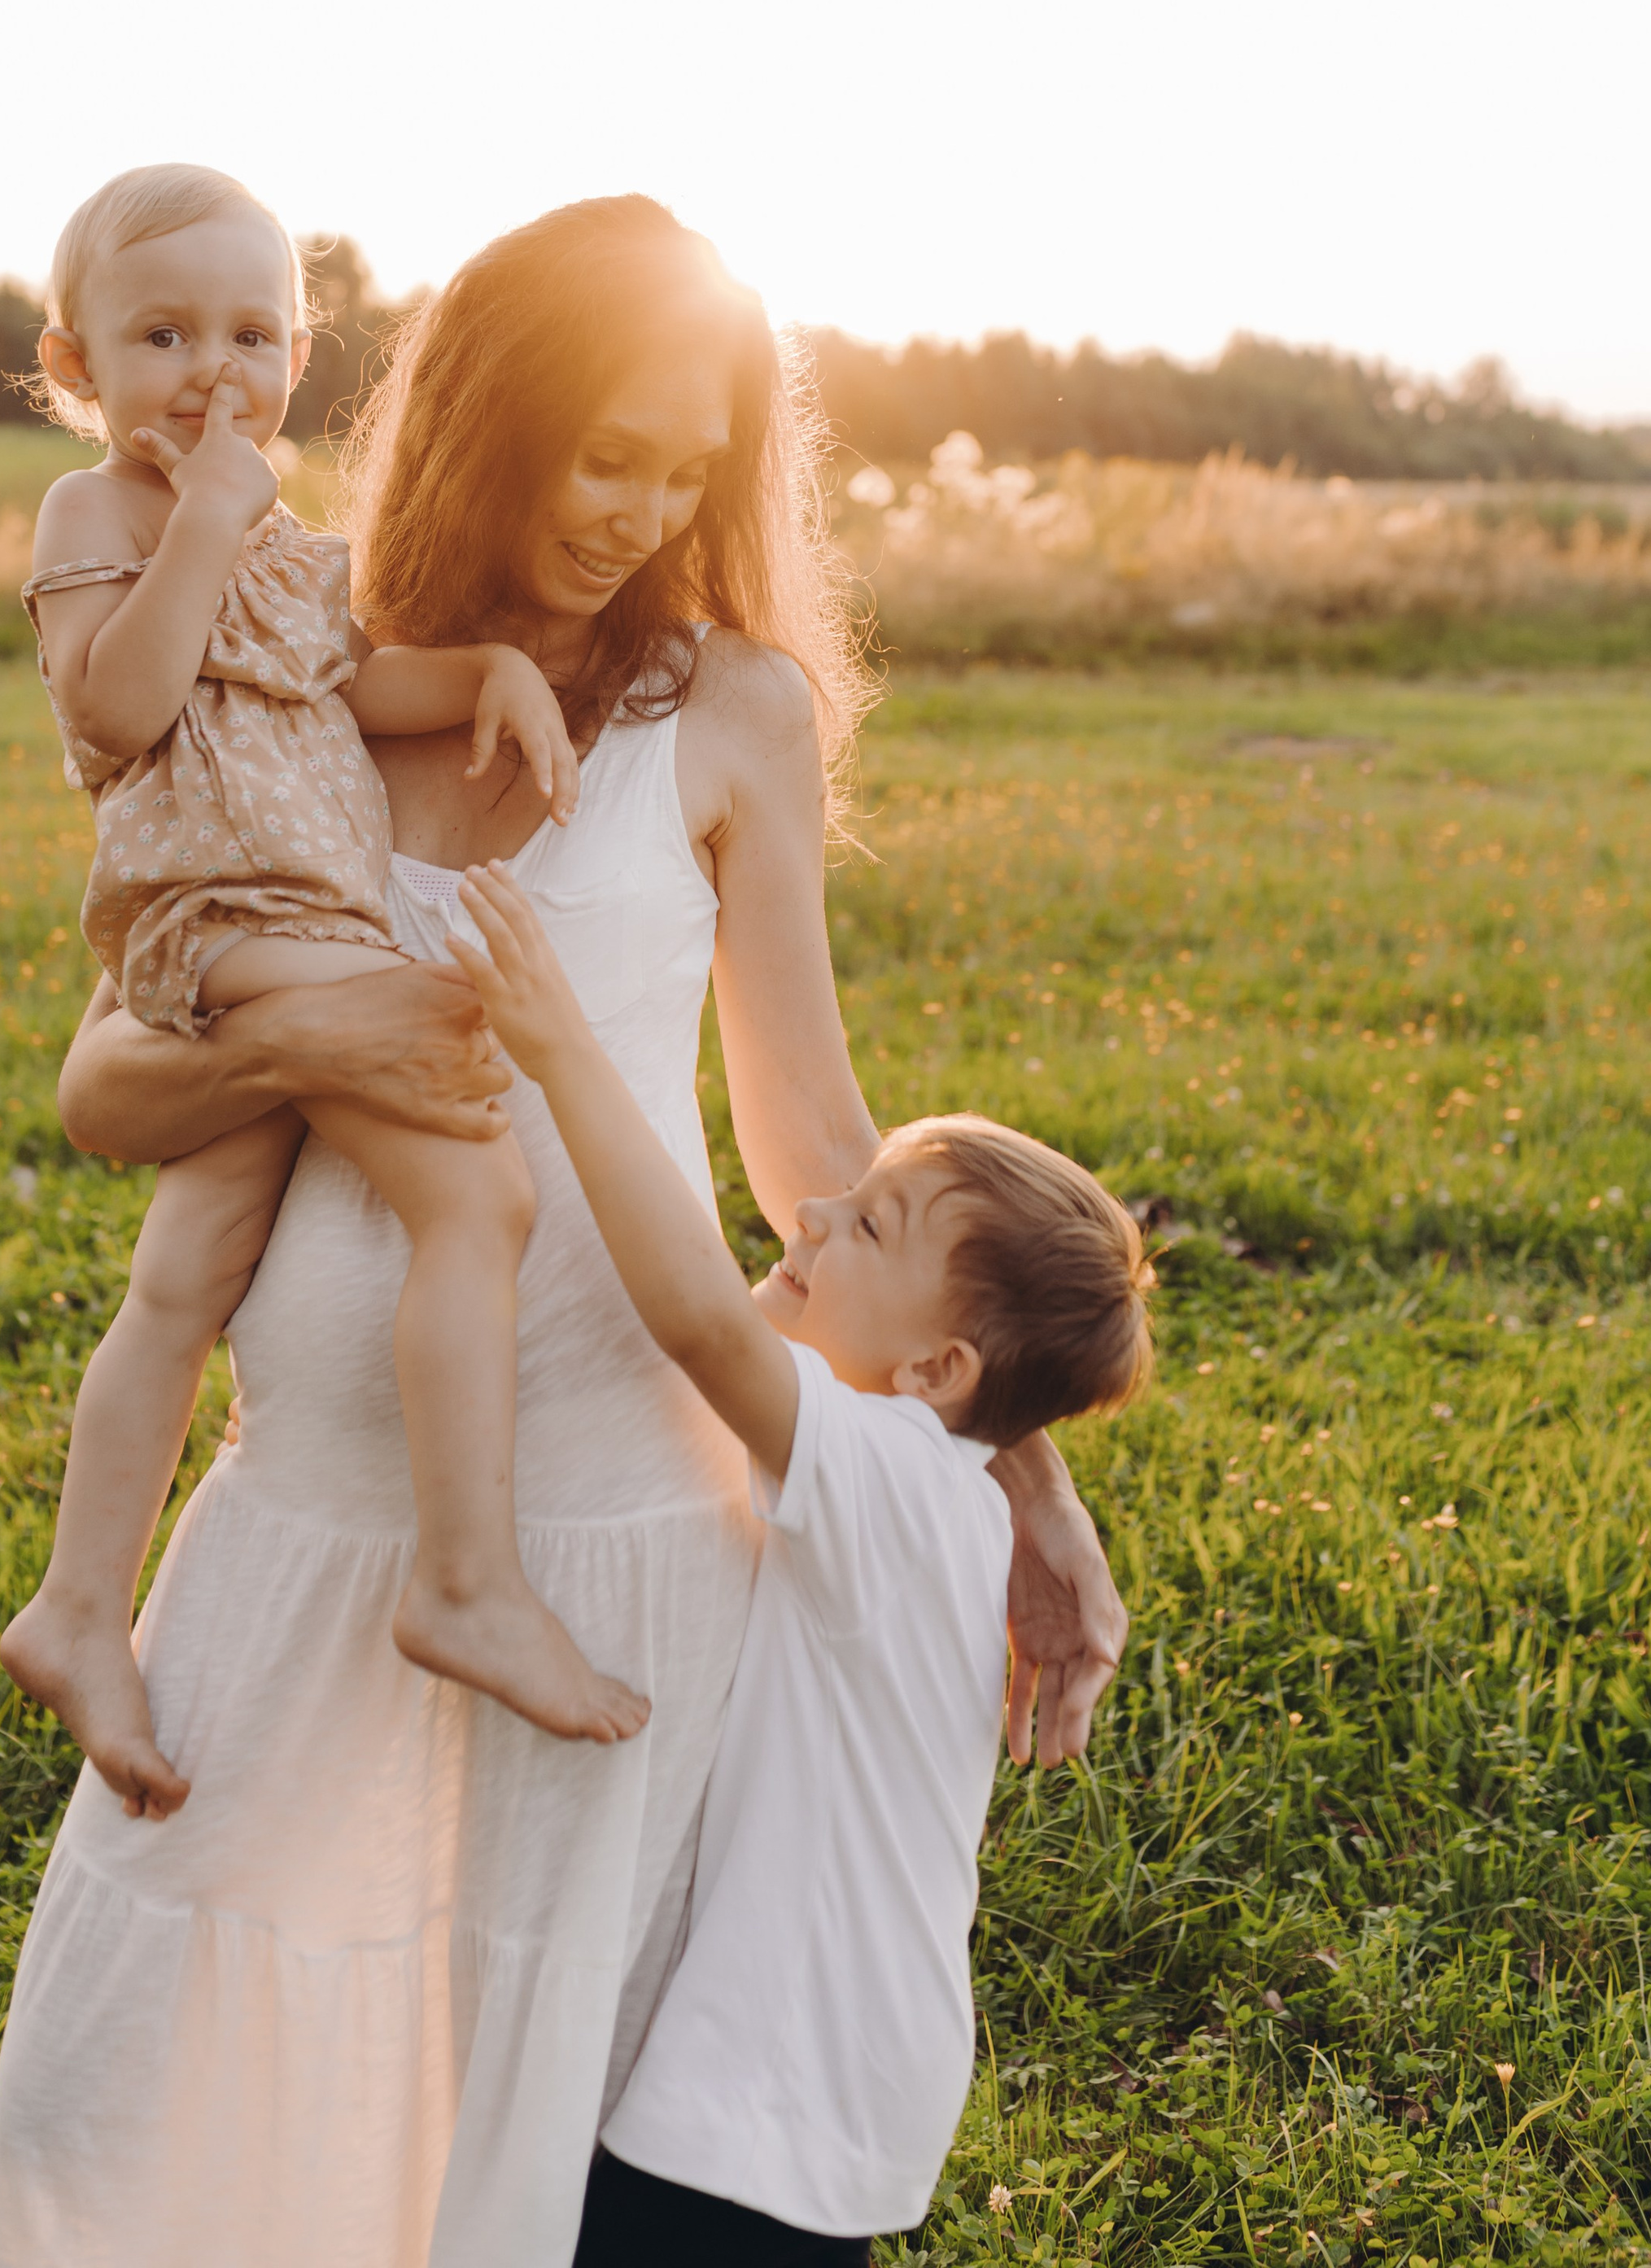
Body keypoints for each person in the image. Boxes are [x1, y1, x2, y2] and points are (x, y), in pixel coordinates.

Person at [0, 195, 1133, 2268]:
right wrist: (322, 1036)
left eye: (688, 469)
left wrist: (1018, 1478)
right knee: (136, 2065)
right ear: (493, 420)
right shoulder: (304, 639)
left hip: (607, 1509)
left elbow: (810, 1139)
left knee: (508, 2070)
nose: (643, 513)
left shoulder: (730, 711)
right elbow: (108, 1086)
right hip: (311, 1493)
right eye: (606, 455)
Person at [0, 164, 649, 1811]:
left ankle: (76, 1607)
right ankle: (465, 1579)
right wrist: (207, 520)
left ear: (298, 355)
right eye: (162, 337)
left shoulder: (289, 549)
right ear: (75, 365)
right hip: (225, 912)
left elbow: (355, 687)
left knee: (183, 1280)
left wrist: (490, 670)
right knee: (478, 1195)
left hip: (289, 916)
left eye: (251, 335)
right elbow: (118, 714)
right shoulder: (99, 516)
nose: (211, 372)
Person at [448, 860, 1154, 2266]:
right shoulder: (938, 1482)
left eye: (868, 1224)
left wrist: (562, 1048)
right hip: (834, 2077)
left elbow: (703, 1326)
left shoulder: (892, 1481)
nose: (812, 1217)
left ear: (938, 1369)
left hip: (773, 2084)